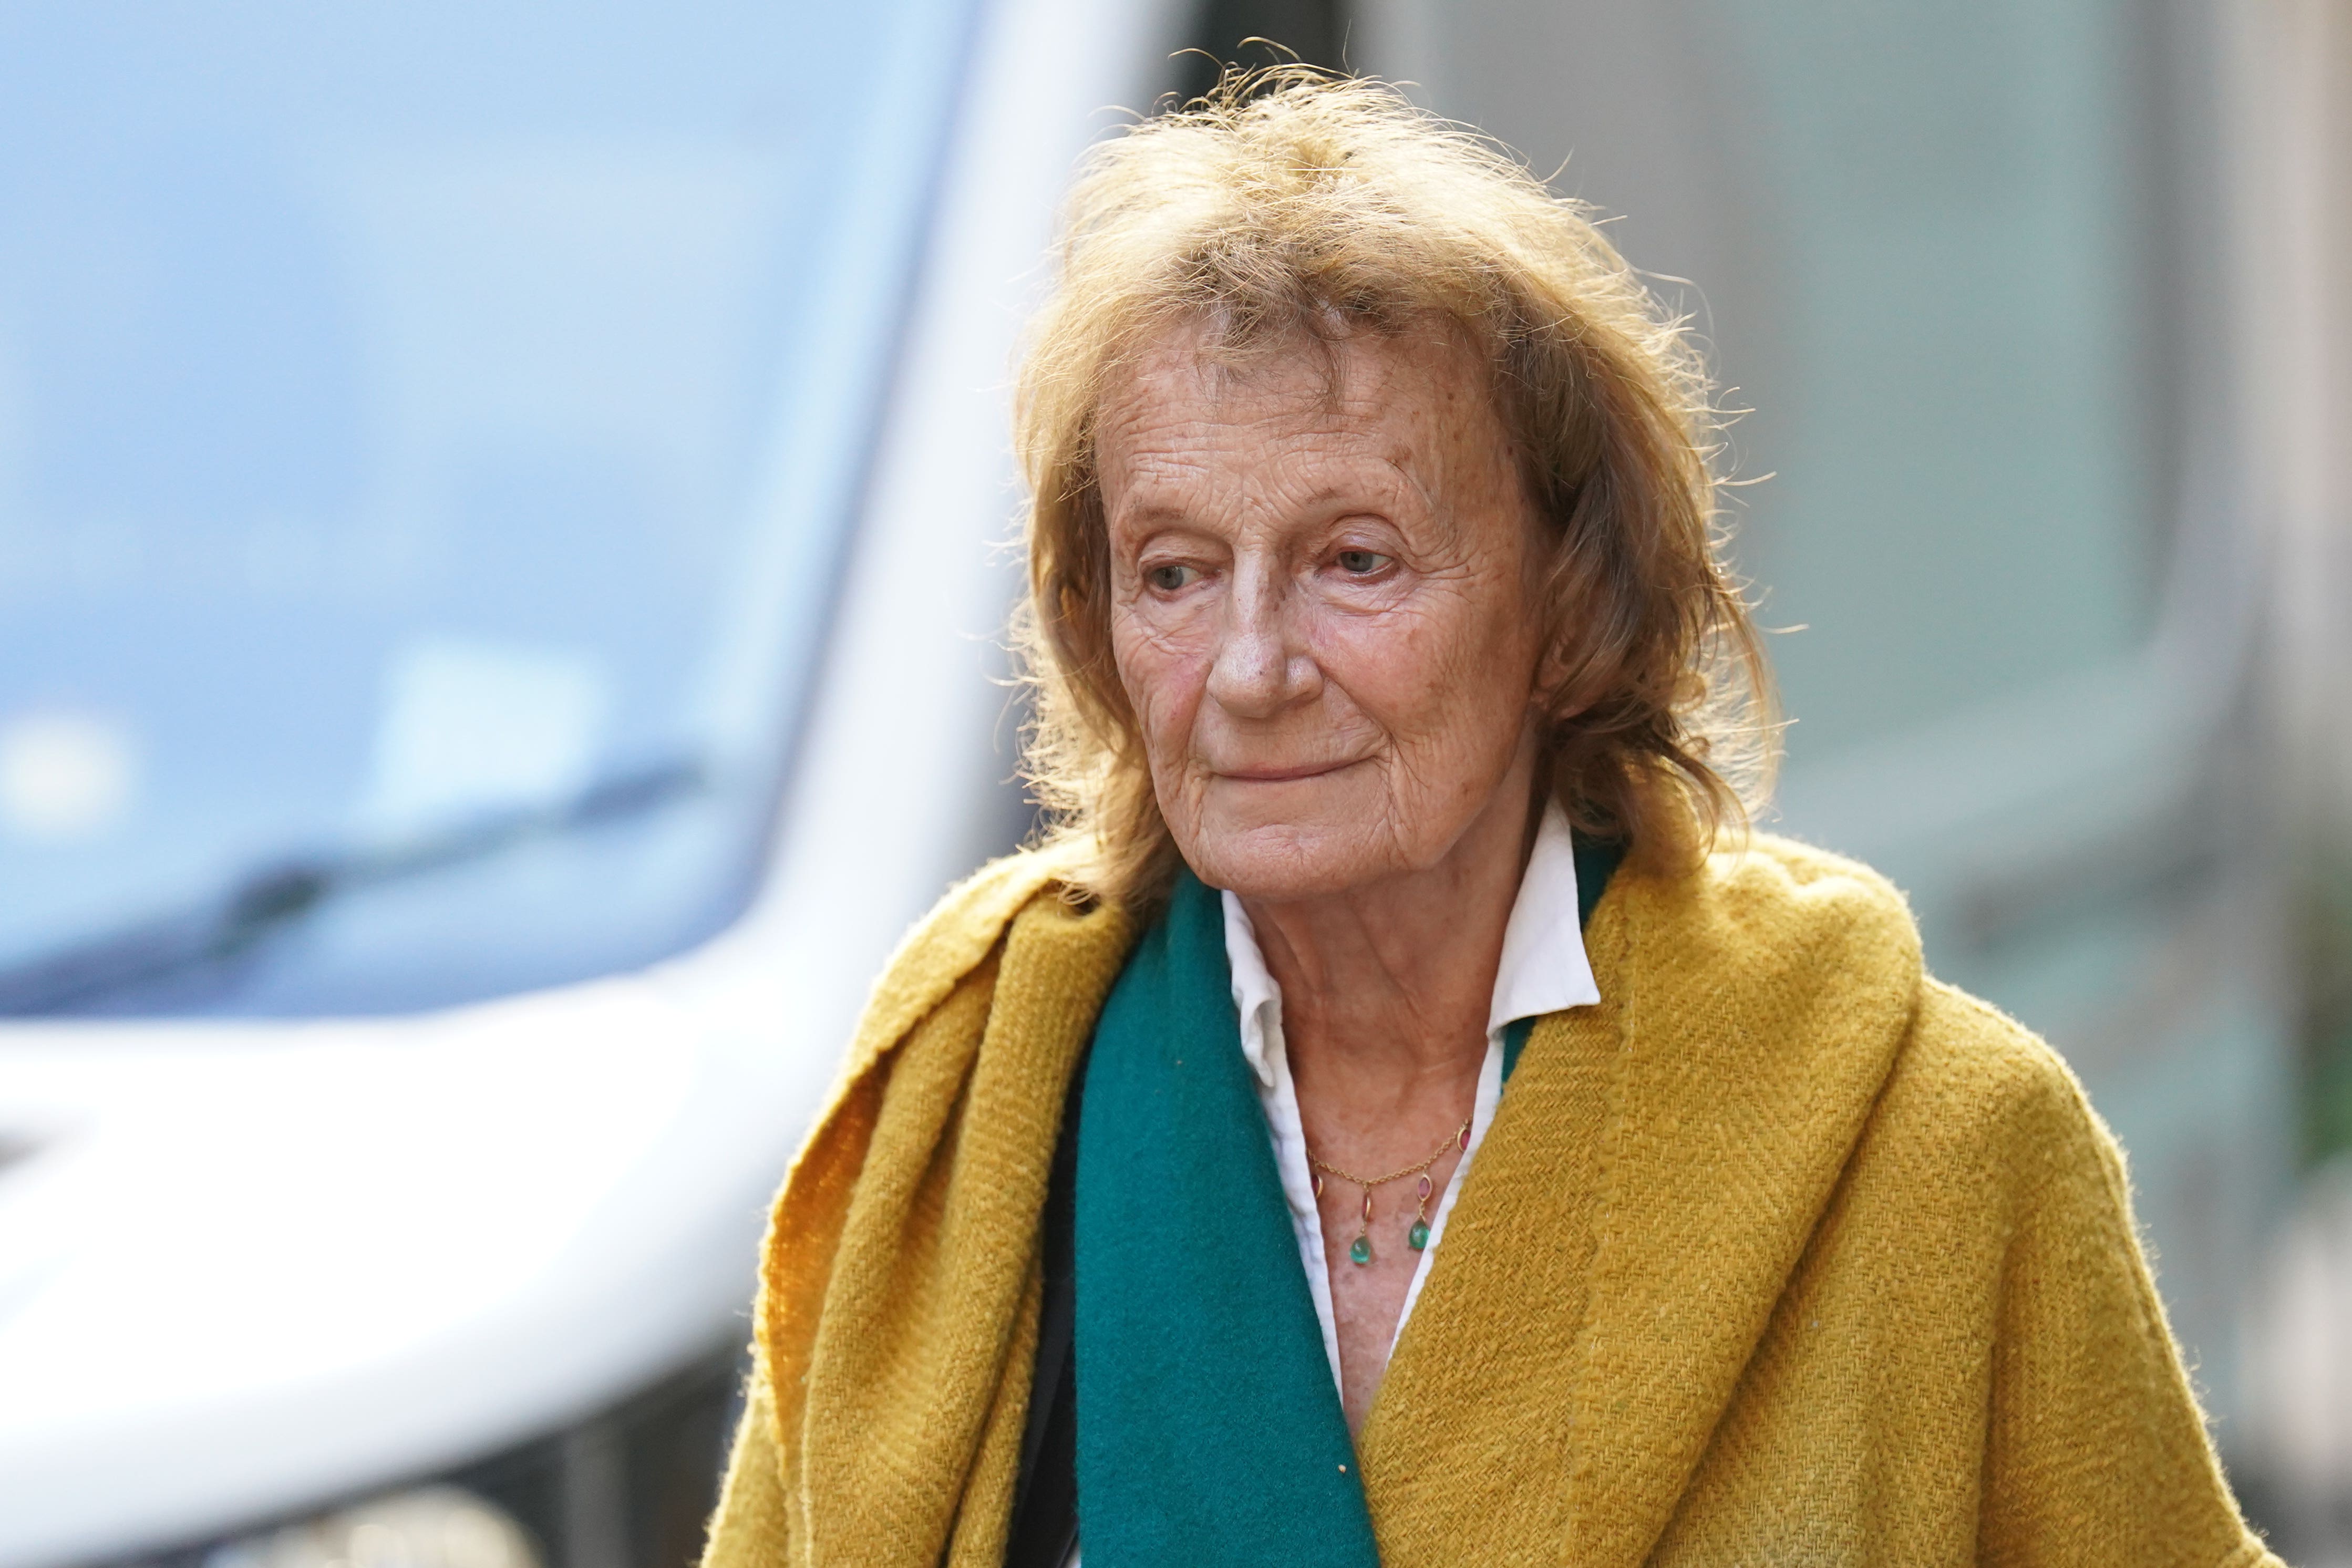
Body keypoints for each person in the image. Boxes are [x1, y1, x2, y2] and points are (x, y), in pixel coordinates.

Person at [700, 70, 2283, 1568]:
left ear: (1568, 599)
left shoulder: (1938, 1146)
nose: (1248, 669)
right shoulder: (969, 1110)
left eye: (1355, 559)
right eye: (1174, 571)